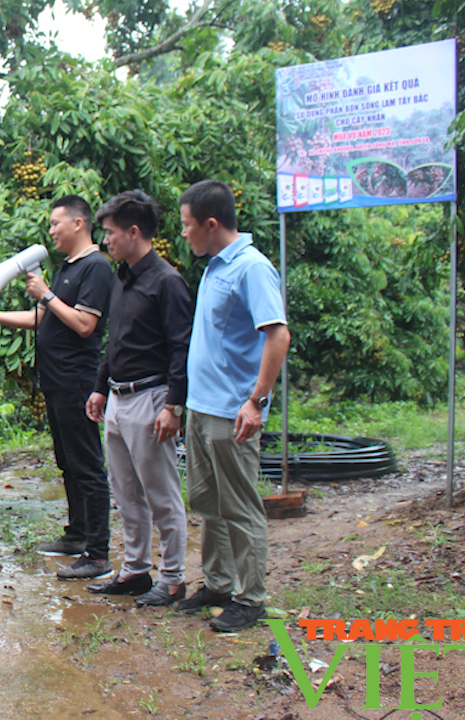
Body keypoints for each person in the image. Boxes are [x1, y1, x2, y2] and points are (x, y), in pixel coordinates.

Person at [0, 195, 114, 579]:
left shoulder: (96, 268)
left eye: (57, 223)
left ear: (78, 224)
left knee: (88, 466)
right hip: (56, 381)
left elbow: (85, 325)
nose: (51, 230)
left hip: (77, 380)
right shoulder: (65, 269)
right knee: (67, 463)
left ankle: (99, 553)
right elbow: (42, 319)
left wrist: (48, 295)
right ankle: (76, 535)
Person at [174, 179, 290, 632]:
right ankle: (218, 584)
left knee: (239, 505)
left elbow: (276, 334)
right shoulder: (214, 266)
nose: (184, 234)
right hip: (202, 407)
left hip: (232, 411)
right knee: (209, 502)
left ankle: (250, 597)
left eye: (187, 226)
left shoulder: (251, 268)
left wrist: (256, 400)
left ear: (211, 223)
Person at [84, 190, 193, 606]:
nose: (105, 240)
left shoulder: (166, 281)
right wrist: (99, 386)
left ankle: (174, 576)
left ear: (134, 232)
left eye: (110, 233)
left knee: (160, 492)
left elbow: (181, 346)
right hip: (117, 397)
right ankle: (134, 570)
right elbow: (116, 341)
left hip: (151, 397)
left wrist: (173, 405)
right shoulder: (122, 278)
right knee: (125, 491)